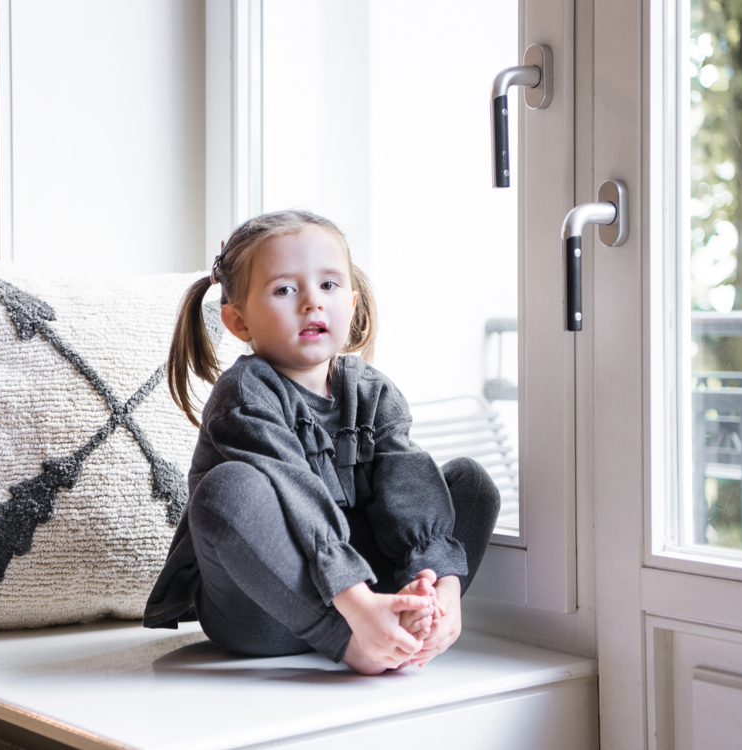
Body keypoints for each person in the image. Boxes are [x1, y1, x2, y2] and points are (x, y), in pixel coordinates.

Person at [144, 209, 500, 674]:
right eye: (284, 290)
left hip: (367, 595)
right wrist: (350, 611)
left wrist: (440, 586)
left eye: (329, 286)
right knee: (223, 491)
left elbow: (408, 486)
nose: (312, 302)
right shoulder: (245, 393)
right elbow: (296, 497)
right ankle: (352, 641)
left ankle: (410, 621)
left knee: (469, 482)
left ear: (352, 303)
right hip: (268, 611)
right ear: (239, 322)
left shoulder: (373, 390)